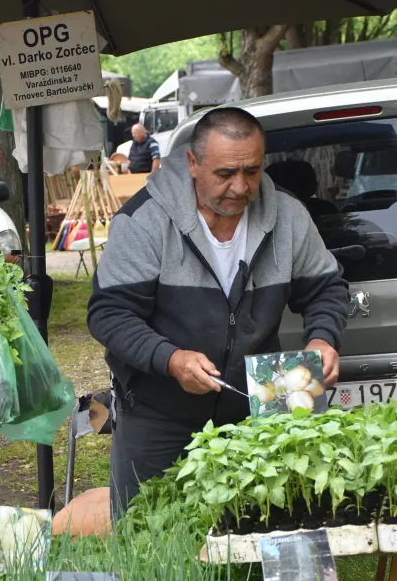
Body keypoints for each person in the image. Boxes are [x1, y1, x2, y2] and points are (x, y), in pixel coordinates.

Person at [88, 107, 349, 517]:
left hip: (263, 404)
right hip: (159, 410)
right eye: (225, 173)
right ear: (193, 163)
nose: (241, 186)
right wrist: (171, 359)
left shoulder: (288, 216)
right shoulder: (144, 221)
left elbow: (326, 288)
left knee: (265, 534)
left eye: (252, 170)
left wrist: (322, 339)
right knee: (150, 543)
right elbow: (109, 313)